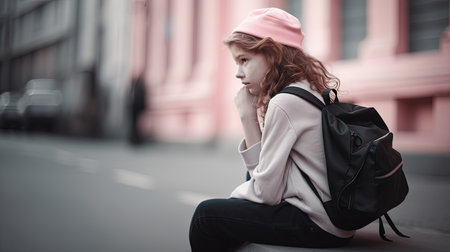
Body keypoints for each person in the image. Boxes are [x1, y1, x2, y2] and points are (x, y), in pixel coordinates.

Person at [189, 8, 355, 251]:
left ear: (273, 54)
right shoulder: (305, 87)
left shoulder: (284, 103)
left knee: (206, 216)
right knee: (236, 203)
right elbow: (265, 174)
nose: (238, 73)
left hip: (318, 223)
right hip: (333, 219)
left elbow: (266, 194)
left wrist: (247, 116)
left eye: (244, 60)